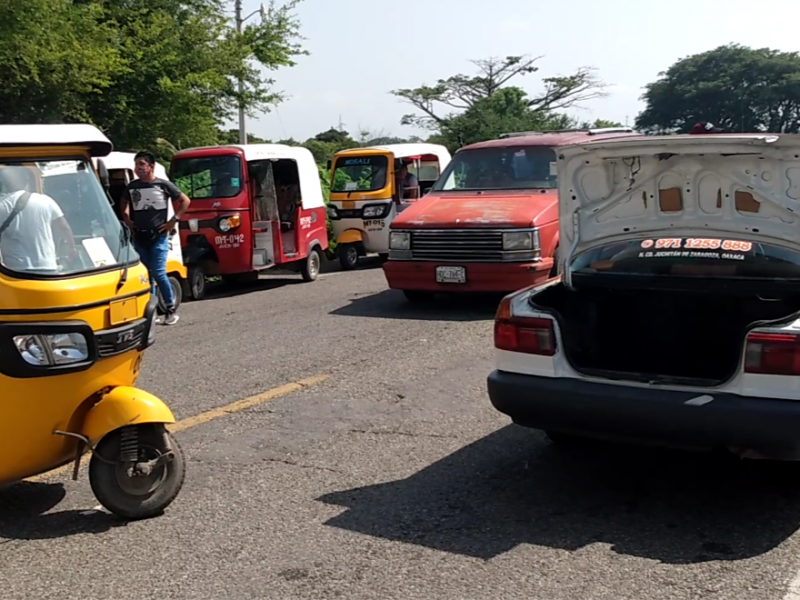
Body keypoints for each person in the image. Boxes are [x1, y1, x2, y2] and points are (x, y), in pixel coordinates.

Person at [119, 151, 191, 325]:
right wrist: (127, 219)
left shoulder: (163, 185)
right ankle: (150, 313)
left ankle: (170, 309)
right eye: (137, 165)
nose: (139, 169)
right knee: (146, 275)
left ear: (151, 166)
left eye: (142, 165)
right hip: (140, 237)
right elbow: (123, 202)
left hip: (158, 237)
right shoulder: (133, 186)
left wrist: (173, 221)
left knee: (159, 272)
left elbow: (185, 201)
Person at [0, 164, 76, 273]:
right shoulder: (46, 201)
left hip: (14, 271)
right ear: (27, 181)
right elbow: (63, 227)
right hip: (48, 267)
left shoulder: (2, 204)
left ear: (5, 184)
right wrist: (71, 249)